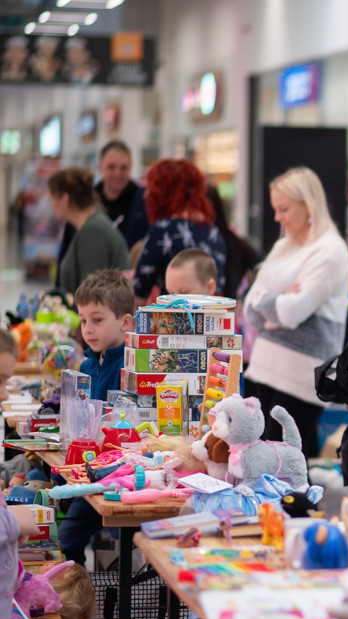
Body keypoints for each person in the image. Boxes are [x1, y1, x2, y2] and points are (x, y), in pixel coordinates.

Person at [242, 167, 348, 458]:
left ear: (308, 205)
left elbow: (292, 312)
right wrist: (276, 300)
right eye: (275, 209)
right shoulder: (284, 246)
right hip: (264, 369)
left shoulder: (330, 249)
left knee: (283, 464)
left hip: (300, 377)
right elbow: (250, 310)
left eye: (284, 209)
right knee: (261, 461)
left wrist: (266, 299)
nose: (277, 218)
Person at [57, 270, 134, 566]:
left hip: (115, 476)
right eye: (83, 320)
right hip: (87, 470)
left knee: (67, 538)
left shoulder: (131, 366)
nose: (87, 329)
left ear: (125, 322)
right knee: (64, 538)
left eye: (97, 320)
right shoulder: (88, 365)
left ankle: (80, 587)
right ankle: (77, 587)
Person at [133, 159, 228, 303]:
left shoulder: (163, 230)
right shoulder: (212, 230)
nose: (145, 194)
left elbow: (139, 292)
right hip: (213, 312)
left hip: (176, 313)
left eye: (150, 188)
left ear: (161, 192)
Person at [58, 141, 150, 261]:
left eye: (123, 168)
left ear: (130, 167)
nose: (118, 173)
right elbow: (68, 250)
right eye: (111, 167)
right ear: (100, 166)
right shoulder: (85, 202)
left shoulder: (144, 202)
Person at [47, 167, 128, 295]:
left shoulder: (93, 231)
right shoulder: (93, 226)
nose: (52, 204)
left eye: (53, 198)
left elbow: (90, 296)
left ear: (65, 199)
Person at [206, 185, 262, 302]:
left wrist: (245, 296)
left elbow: (260, 263)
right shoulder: (232, 240)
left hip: (226, 306)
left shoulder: (231, 241)